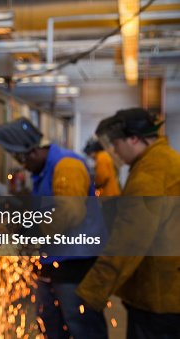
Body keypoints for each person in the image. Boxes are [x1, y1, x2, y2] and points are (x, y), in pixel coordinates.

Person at [0, 117, 108, 339]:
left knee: (81, 324)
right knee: (51, 324)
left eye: (21, 159)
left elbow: (67, 213)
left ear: (32, 152)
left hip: (75, 264)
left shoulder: (67, 166)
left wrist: (29, 232)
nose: (23, 165)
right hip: (52, 261)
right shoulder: (44, 170)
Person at [77, 107, 180, 338]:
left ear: (134, 138)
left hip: (159, 299)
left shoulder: (149, 173)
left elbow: (129, 241)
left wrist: (92, 290)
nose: (114, 151)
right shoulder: (164, 160)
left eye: (116, 144)